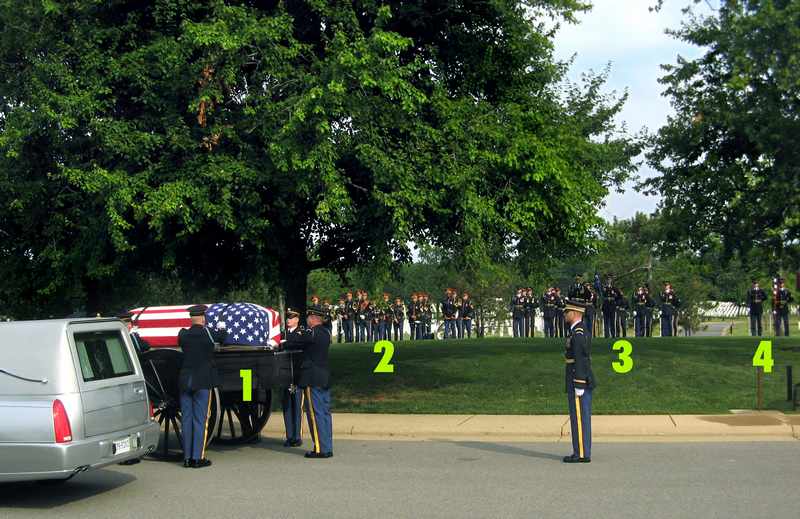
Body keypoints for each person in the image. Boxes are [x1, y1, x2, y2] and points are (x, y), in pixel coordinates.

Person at [178, 304, 226, 468]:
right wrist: (222, 327)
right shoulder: (208, 333)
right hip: (203, 382)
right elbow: (223, 337)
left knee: (186, 420)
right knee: (201, 420)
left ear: (191, 318)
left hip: (185, 381)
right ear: (204, 318)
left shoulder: (183, 334)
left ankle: (187, 458)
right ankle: (198, 458)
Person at [284, 308, 333, 458]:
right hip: (324, 376)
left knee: (314, 414)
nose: (307, 320)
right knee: (325, 413)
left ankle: (320, 449)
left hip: (312, 377)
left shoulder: (311, 333)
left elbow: (293, 342)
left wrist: (283, 343)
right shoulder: (326, 333)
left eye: (308, 317)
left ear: (313, 318)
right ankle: (327, 446)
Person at [562, 299, 594, 464]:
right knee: (579, 417)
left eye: (567, 312)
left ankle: (581, 453)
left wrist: (579, 383)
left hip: (577, 379)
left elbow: (581, 359)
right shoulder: (577, 331)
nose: (565, 315)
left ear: (574, 313)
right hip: (576, 378)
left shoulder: (579, 333)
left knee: (580, 418)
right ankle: (581, 450)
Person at [281, 308, 304, 448]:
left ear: (296, 320)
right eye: (287, 318)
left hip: (296, 374)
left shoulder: (300, 333)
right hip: (284, 374)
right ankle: (289, 436)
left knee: (297, 406)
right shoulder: (283, 333)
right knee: (287, 406)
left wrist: (284, 344)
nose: (288, 320)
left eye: (291, 318)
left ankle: (297, 436)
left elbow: (298, 345)